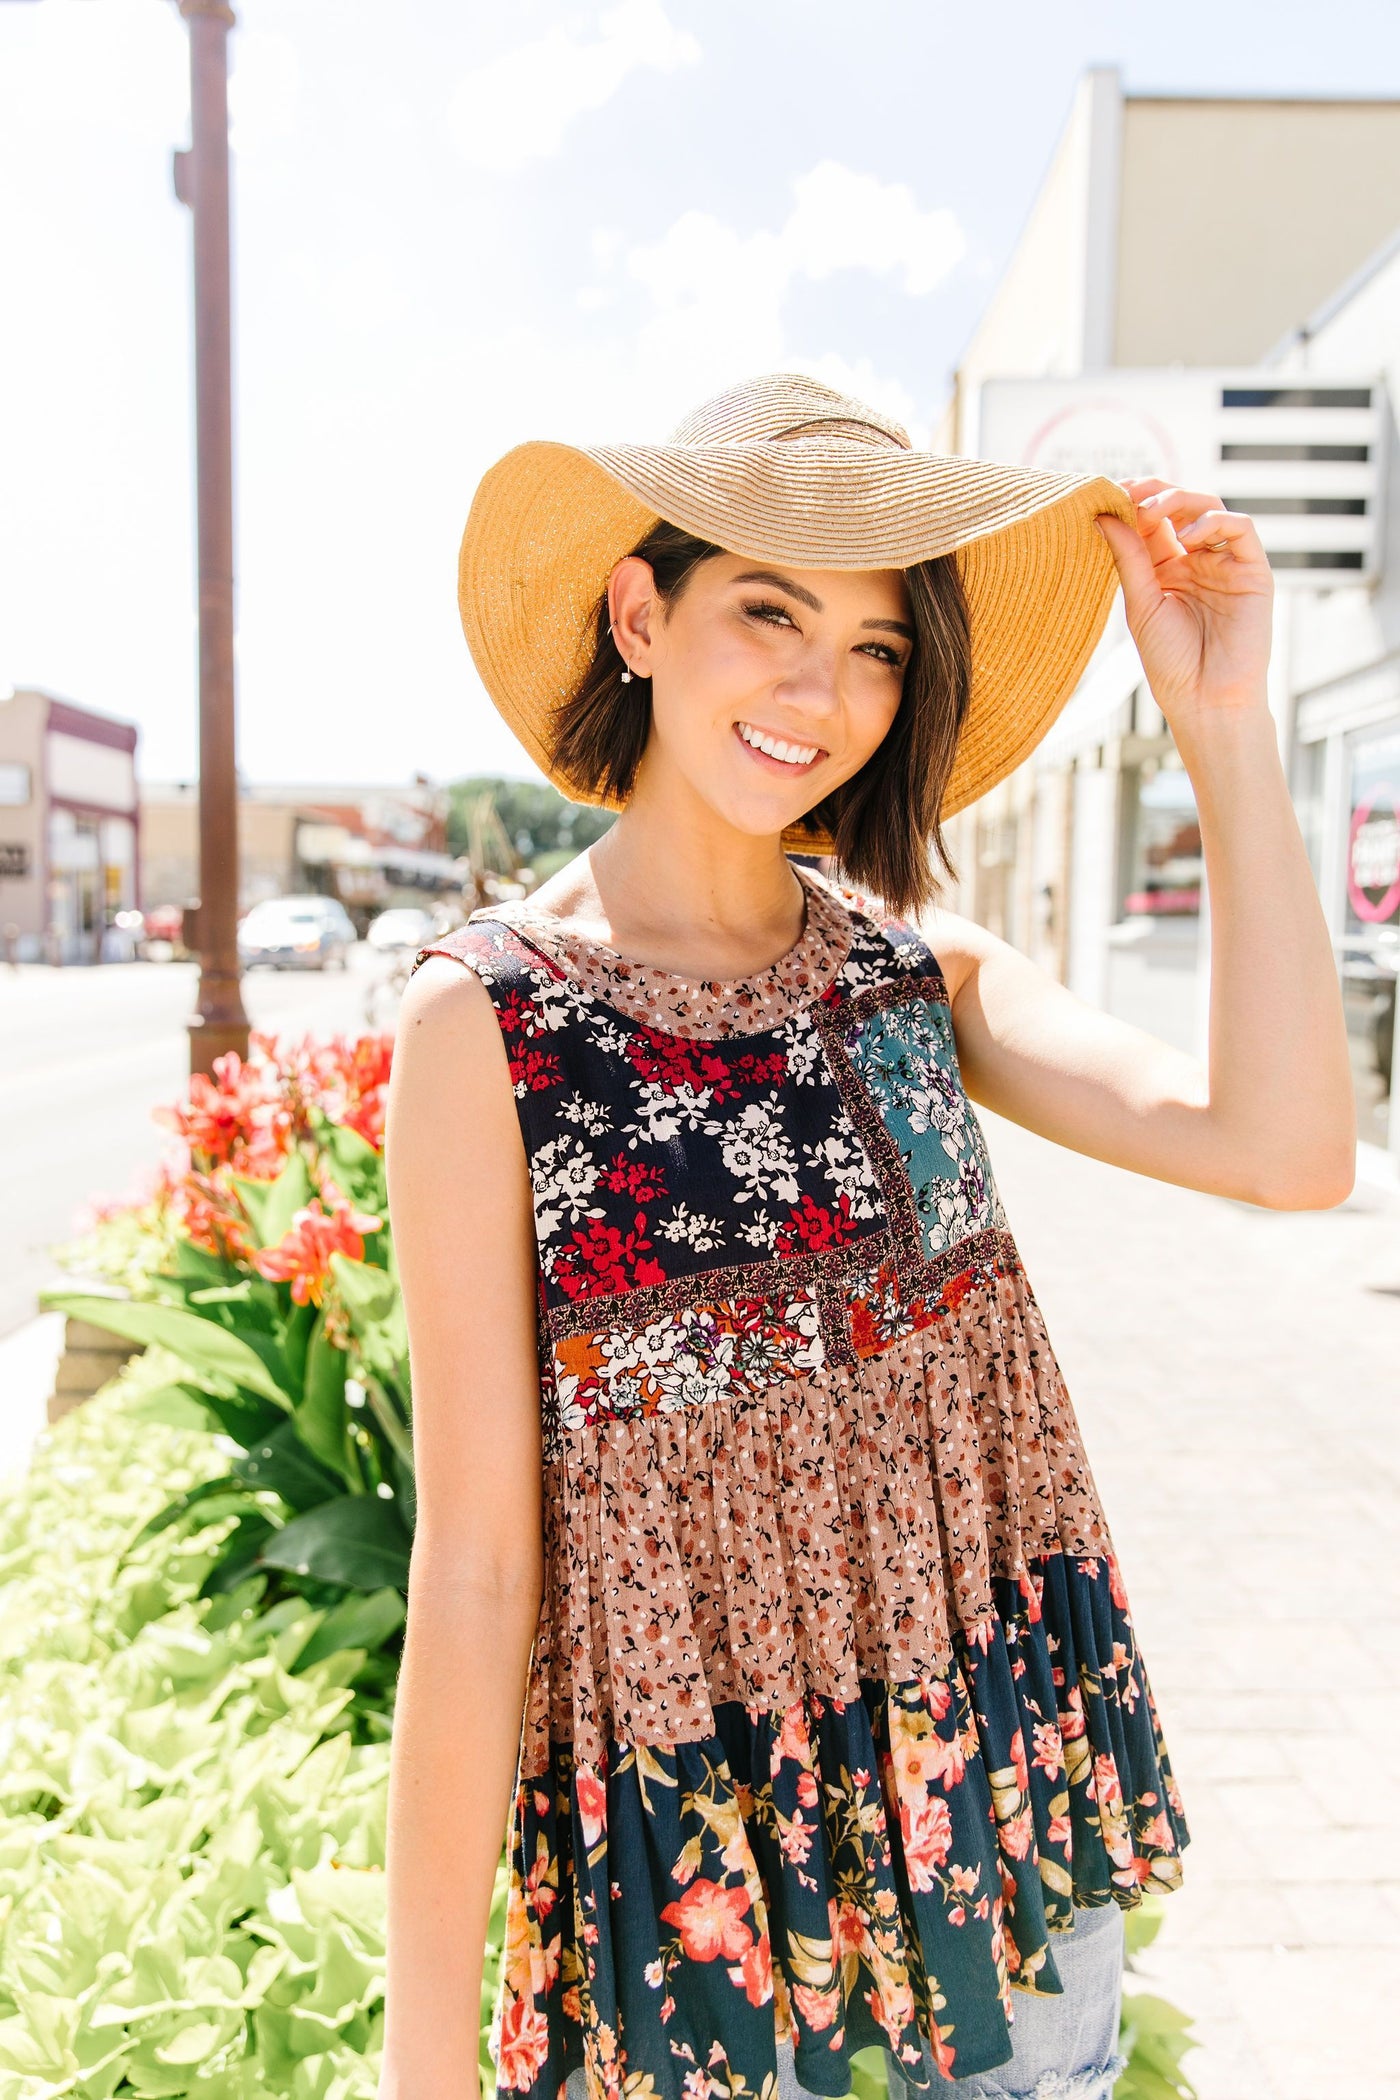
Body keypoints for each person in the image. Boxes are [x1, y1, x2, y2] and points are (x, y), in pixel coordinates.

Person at [379, 374, 1355, 2100]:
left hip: (992, 1842)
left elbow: (1286, 1151)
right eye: (768, 610)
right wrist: (422, 2059)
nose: (821, 692)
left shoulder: (918, 973)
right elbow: (471, 1574)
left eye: (878, 647)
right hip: (711, 1885)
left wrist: (1222, 725)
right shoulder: (492, 1028)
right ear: (638, 612)